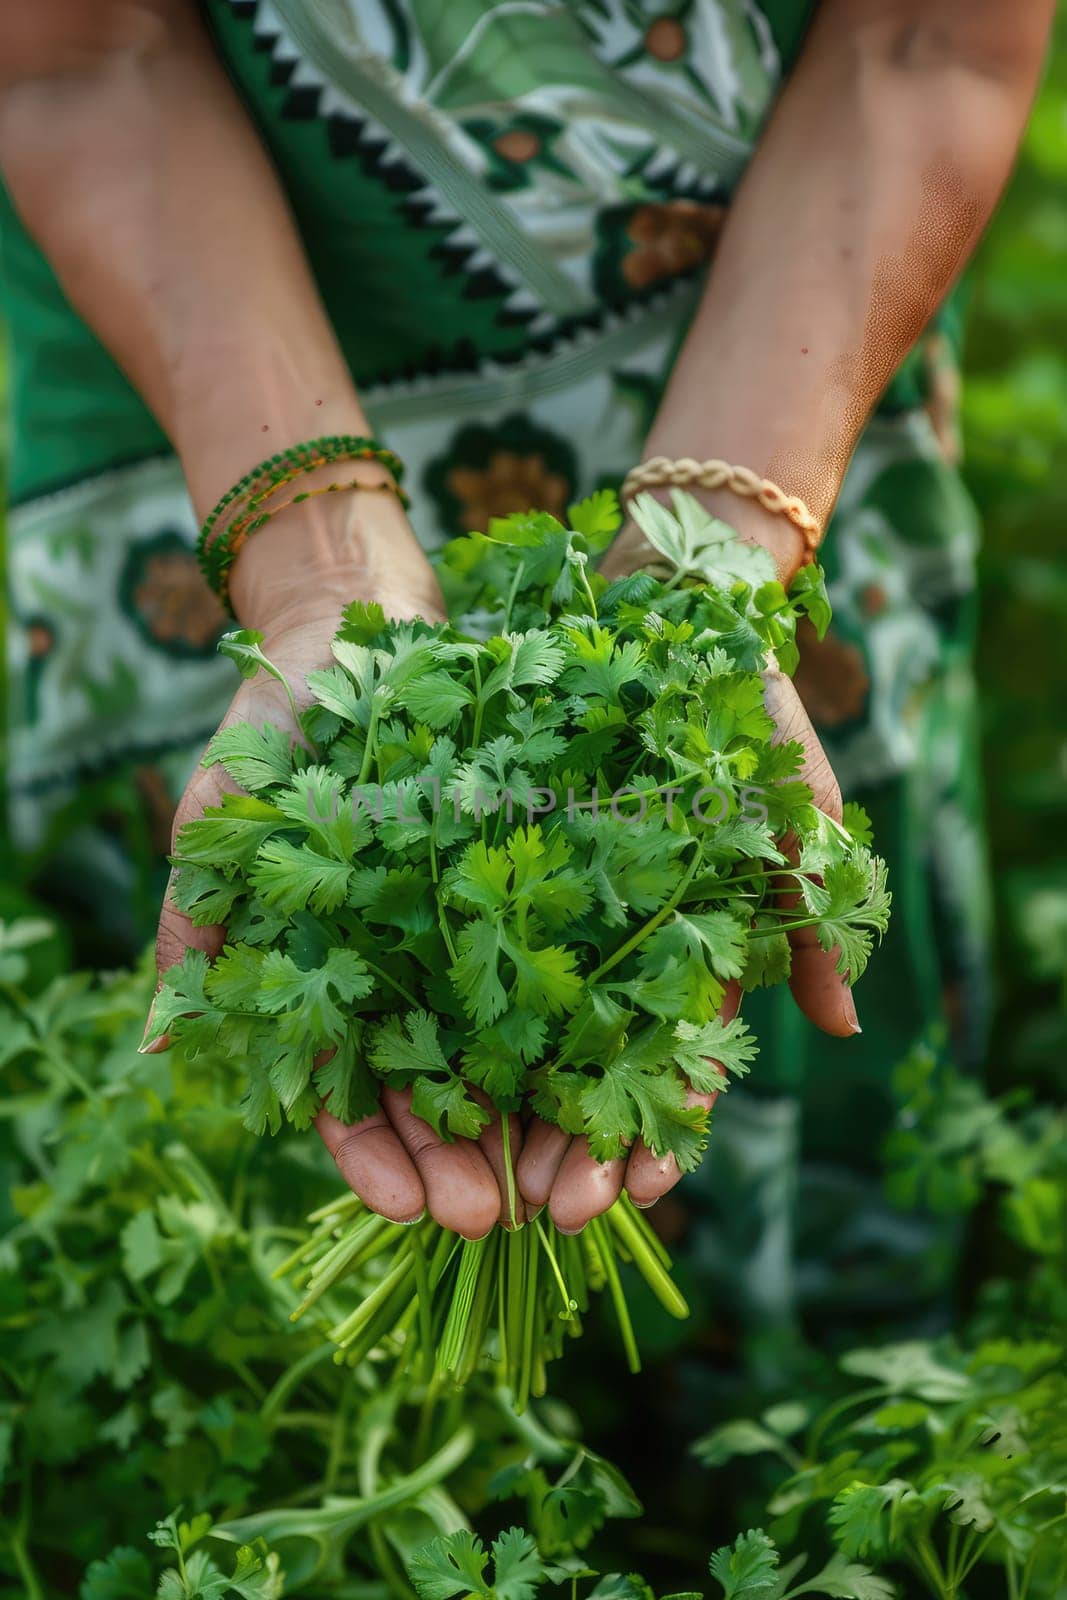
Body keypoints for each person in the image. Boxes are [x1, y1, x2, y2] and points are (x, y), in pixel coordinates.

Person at [0, 2, 1052, 1305]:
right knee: (235, 1043)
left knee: (740, 866)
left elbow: (925, 38)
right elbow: (88, 50)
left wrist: (710, 561)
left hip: (793, 317)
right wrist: (313, 564)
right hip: (194, 351)